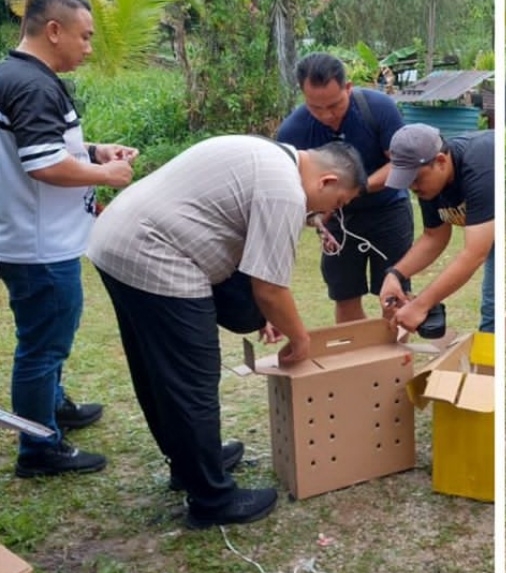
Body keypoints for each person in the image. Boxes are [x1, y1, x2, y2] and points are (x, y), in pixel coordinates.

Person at [87, 135, 366, 528]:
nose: (326, 213)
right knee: (192, 380)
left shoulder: (265, 152)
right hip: (156, 254)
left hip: (117, 238)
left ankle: (190, 465)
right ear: (327, 182)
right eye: (336, 204)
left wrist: (260, 314)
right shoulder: (284, 189)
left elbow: (248, 270)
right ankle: (212, 500)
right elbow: (269, 289)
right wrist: (300, 338)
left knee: (157, 370)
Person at [0, 0, 138, 478]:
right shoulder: (34, 85)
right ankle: (39, 449)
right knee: (43, 345)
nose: (88, 47)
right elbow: (41, 164)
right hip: (40, 245)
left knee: (45, 337)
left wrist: (94, 151)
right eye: (85, 36)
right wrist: (107, 177)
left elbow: (38, 146)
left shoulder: (17, 75)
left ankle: (52, 407)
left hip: (26, 236)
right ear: (53, 30)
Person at [277, 53, 412, 323]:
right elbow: (292, 190)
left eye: (335, 105)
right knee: (345, 294)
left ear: (348, 88)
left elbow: (401, 164)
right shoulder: (293, 131)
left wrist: (353, 190)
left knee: (393, 295)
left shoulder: (379, 108)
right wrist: (315, 218)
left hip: (389, 210)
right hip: (338, 220)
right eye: (316, 108)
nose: (327, 115)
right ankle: (358, 360)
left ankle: (394, 360)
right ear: (304, 97)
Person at [378, 124, 495, 334]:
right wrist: (395, 274)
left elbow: (474, 254)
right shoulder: (431, 184)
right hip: (487, 229)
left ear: (441, 161)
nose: (412, 188)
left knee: (493, 311)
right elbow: (434, 236)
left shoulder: (481, 168)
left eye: (415, 180)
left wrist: (421, 305)